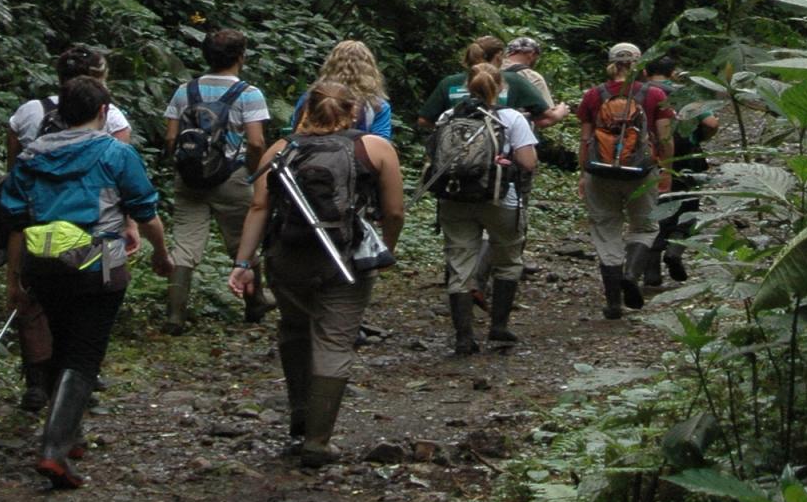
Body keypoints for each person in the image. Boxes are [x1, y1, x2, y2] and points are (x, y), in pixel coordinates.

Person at [1, 76, 174, 489]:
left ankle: (69, 435)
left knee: (62, 342)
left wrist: (14, 276)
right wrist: (163, 256)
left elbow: (14, 217)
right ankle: (54, 449)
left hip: (42, 259)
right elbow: (145, 209)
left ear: (59, 115)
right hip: (102, 257)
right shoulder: (115, 153)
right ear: (102, 113)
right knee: (86, 352)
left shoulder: (30, 156)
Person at [227, 84, 405, 467]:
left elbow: (259, 207)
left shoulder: (280, 150)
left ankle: (299, 421)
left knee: (295, 331)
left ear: (305, 110)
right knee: (335, 341)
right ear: (353, 111)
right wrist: (383, 249)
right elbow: (394, 211)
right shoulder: (374, 149)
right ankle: (318, 440)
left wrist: (243, 264)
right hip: (346, 259)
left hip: (287, 258)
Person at [3, 45, 136, 413]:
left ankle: (37, 381)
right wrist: (133, 227)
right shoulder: (113, 118)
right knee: (94, 311)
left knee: (36, 302)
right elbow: (123, 186)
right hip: (100, 234)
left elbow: (14, 171)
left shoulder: (29, 112)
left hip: (37, 226)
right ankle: (80, 383)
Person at [162, 28, 272, 333]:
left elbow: (171, 136)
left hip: (189, 177)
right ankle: (255, 303)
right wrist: (252, 173)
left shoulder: (185, 90)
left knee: (185, 244)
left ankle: (174, 314)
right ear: (241, 57)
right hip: (232, 176)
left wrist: (184, 164)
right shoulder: (249, 94)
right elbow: (256, 143)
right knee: (243, 242)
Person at [433, 63, 538, 354]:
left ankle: (464, 337)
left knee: (459, 262)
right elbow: (528, 163)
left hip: (454, 197)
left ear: (467, 85)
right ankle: (499, 326)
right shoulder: (511, 118)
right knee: (508, 259)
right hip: (499, 198)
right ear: (500, 88)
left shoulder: (447, 116)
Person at [577, 42, 675, 319]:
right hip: (642, 172)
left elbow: (586, 138)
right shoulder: (654, 94)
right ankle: (631, 274)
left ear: (611, 63)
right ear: (639, 64)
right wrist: (666, 170)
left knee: (606, 229)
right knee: (644, 226)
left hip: (600, 171)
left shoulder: (594, 95)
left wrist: (584, 172)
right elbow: (664, 136)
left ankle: (613, 303)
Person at [639, 57, 720, 285]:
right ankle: (675, 249)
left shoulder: (638, 92)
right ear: (673, 72)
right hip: (686, 155)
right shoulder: (686, 94)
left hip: (648, 155)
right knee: (688, 204)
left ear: (646, 72)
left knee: (654, 208)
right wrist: (702, 137)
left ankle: (651, 271)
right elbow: (711, 124)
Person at [416, 36, 565, 129]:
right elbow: (548, 116)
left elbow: (424, 121)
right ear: (498, 56)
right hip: (499, 159)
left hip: (453, 157)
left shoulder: (449, 82)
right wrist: (561, 112)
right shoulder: (513, 81)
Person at [287, 40, 393, 139]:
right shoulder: (377, 106)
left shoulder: (312, 97)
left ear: (330, 65)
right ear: (370, 69)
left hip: (309, 155)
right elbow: (381, 141)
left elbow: (295, 130)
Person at [501, 36, 570, 124]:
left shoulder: (489, 68)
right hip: (515, 129)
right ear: (532, 54)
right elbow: (546, 119)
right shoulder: (532, 77)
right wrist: (561, 111)